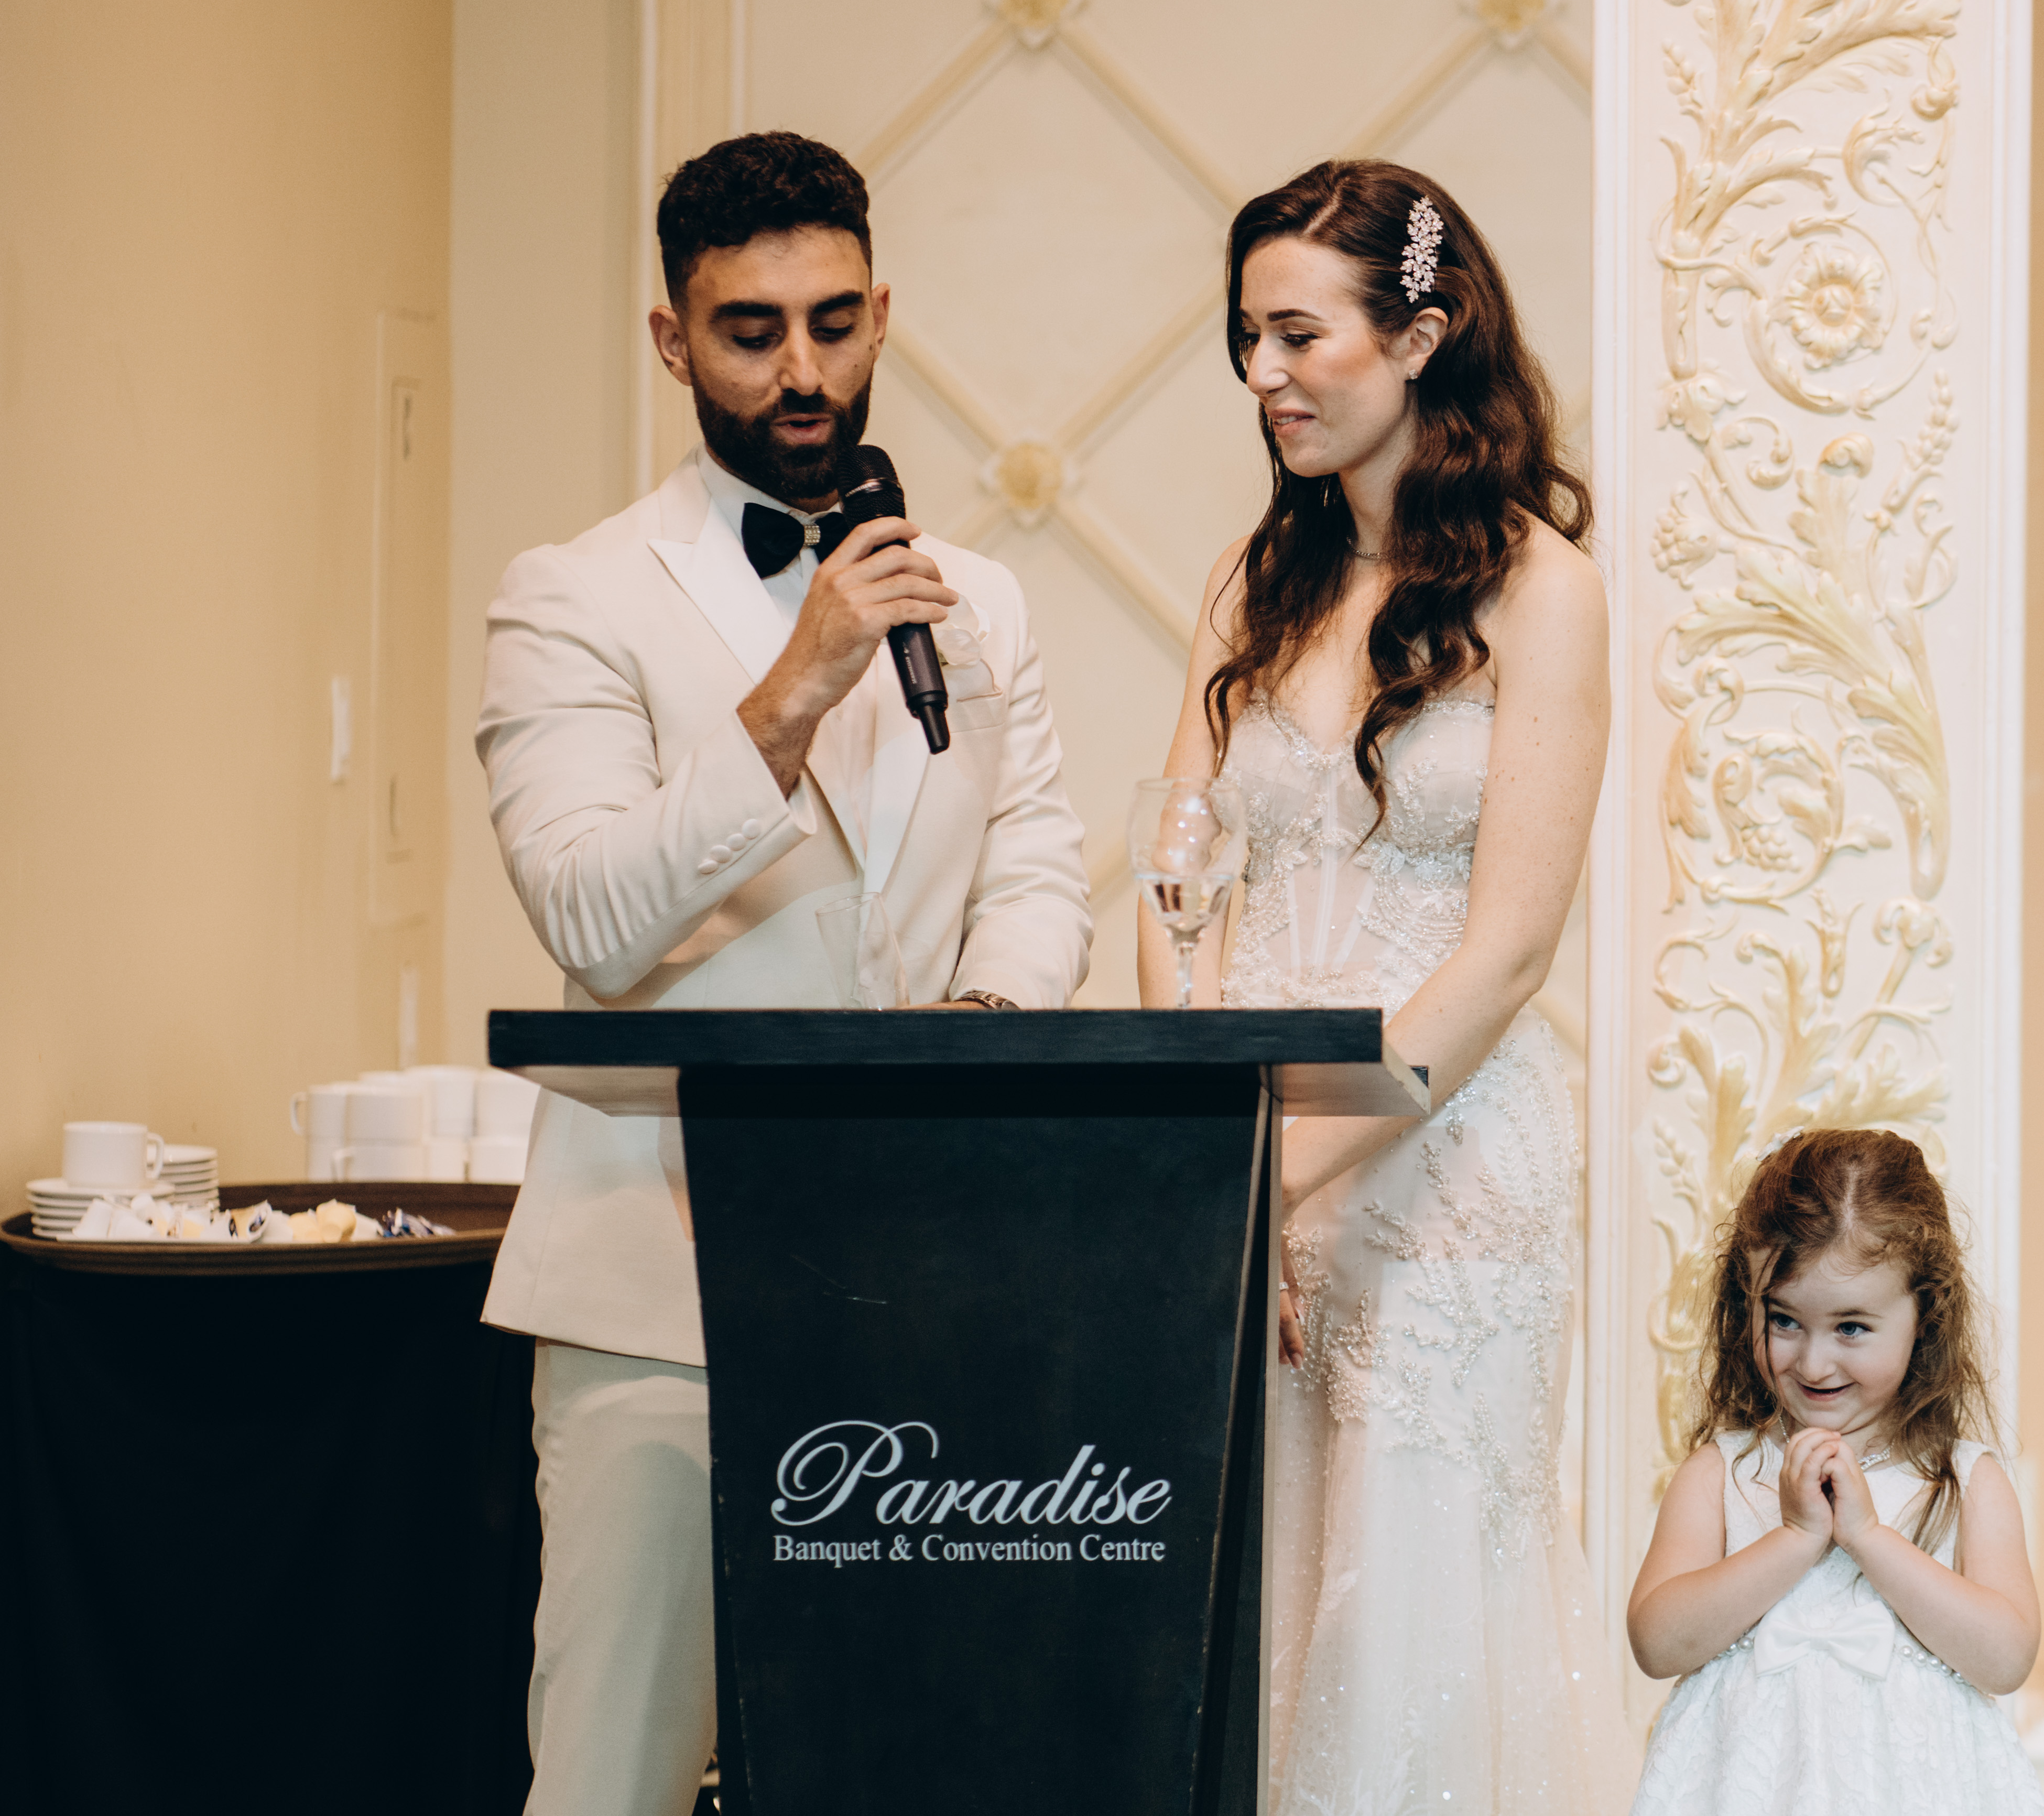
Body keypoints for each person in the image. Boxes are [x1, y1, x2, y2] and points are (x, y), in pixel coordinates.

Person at [478, 129, 1090, 1816]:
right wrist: (790, 694)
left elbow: (1035, 867)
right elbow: (589, 914)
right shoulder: (573, 597)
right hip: (657, 1289)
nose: (804, 372)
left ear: (882, 312)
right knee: (612, 1772)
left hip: (932, 1273)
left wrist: (979, 1035)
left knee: (906, 1760)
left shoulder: (978, 601)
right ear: (672, 340)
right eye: (752, 332)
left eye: (833, 323)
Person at [1151, 159, 1630, 1813]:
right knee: (1256, 1586)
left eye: (1298, 335)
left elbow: (1505, 955)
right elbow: (1170, 870)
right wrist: (1210, 1147)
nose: (1261, 373)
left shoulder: (1544, 595)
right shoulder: (1253, 581)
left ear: (1420, 336)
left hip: (1440, 1168)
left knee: (1403, 1600)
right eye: (1247, 338)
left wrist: (1279, 1171)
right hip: (1248, 1155)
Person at [1626, 1127, 2044, 1815]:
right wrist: (1795, 1539)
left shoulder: (1967, 1481)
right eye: (1784, 1321)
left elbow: (2005, 1660)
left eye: (1851, 1328)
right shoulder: (1722, 1473)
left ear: (1925, 1316)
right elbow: (1656, 1643)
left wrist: (1867, 1536)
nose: (1814, 1363)